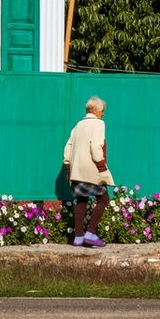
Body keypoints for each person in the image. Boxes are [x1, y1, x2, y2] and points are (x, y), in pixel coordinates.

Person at [63, 95, 113, 247]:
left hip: (76, 170)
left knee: (81, 200)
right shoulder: (98, 124)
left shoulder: (78, 125)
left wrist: (67, 165)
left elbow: (68, 146)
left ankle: (78, 237)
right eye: (102, 110)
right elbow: (96, 146)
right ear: (94, 110)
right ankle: (90, 233)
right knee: (104, 200)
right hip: (92, 169)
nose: (103, 113)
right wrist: (101, 165)